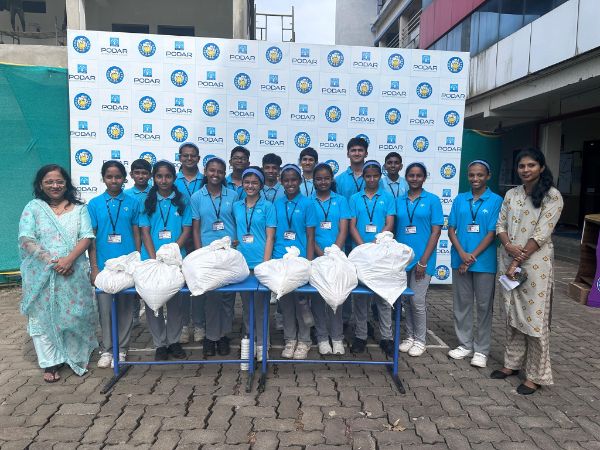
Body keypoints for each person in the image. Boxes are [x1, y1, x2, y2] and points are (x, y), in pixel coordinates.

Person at [492, 148, 563, 395]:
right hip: (508, 260)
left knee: (534, 320)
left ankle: (535, 375)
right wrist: (508, 246)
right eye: (521, 166)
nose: (525, 170)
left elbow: (542, 233)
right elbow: (500, 224)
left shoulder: (552, 196)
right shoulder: (511, 194)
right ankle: (511, 364)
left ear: (541, 167)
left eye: (531, 165)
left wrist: (517, 259)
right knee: (512, 315)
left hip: (535, 266)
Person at [18, 165, 97, 382]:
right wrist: (52, 262)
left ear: (66, 183)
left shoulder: (79, 209)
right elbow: (26, 238)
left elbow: (87, 237)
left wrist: (68, 260)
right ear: (41, 184)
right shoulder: (34, 208)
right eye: (49, 182)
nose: (55, 185)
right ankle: (50, 362)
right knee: (42, 315)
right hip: (42, 273)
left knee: (74, 314)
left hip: (73, 271)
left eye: (59, 181)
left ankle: (72, 354)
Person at [447, 160, 502, 368]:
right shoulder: (460, 199)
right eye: (471, 175)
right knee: (462, 304)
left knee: (484, 306)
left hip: (484, 262)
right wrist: (462, 254)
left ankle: (481, 350)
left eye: (480, 175)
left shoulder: (496, 200)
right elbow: (451, 229)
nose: (475, 179)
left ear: (488, 176)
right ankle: (465, 344)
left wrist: (471, 257)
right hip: (460, 259)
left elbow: (491, 233)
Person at [89, 161, 140, 369]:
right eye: (109, 177)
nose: (114, 180)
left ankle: (123, 349)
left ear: (124, 178)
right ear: (103, 178)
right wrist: (94, 268)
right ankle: (108, 349)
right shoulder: (94, 204)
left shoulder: (133, 202)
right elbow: (91, 239)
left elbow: (137, 233)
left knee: (125, 308)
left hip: (127, 265)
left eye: (118, 177)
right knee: (105, 309)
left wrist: (137, 261)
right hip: (104, 266)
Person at [140, 160, 191, 361]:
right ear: (154, 178)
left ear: (174, 178)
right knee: (153, 303)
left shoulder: (183, 200)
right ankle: (160, 344)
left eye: (168, 176)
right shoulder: (146, 200)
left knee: (176, 303)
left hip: (175, 259)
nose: (163, 180)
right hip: (151, 259)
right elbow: (145, 231)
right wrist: (154, 259)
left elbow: (186, 230)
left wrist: (172, 252)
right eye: (159, 176)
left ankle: (174, 341)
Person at [190, 157, 238, 357]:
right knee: (211, 297)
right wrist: (199, 253)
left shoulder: (233, 195)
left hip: (229, 252)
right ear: (205, 171)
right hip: (207, 254)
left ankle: (224, 335)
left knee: (227, 297)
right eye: (212, 170)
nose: (215, 174)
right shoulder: (197, 197)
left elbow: (238, 221)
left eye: (219, 171)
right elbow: (195, 229)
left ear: (224, 173)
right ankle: (211, 337)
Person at [348, 160, 396, 356]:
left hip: (382, 253)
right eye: (368, 176)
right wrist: (363, 247)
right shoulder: (354, 198)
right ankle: (360, 336)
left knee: (383, 298)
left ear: (380, 176)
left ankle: (387, 337)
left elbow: (389, 223)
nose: (371, 179)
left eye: (375, 176)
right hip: (360, 254)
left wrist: (376, 244)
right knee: (360, 298)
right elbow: (352, 225)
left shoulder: (387, 197)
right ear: (363, 177)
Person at [396, 162, 443, 357]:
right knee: (406, 300)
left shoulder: (432, 200)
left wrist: (423, 261)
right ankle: (409, 336)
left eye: (418, 175)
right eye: (411, 175)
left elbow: (436, 232)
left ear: (424, 177)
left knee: (417, 300)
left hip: (424, 259)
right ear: (406, 177)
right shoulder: (399, 200)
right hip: (402, 260)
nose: (414, 179)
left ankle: (420, 340)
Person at [273, 164, 317, 359]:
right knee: (285, 303)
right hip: (280, 259)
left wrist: (309, 262)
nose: (290, 183)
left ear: (299, 181)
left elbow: (310, 236)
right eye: (286, 180)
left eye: (293, 180)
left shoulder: (308, 204)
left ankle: (305, 340)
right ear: (281, 182)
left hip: (300, 261)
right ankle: (290, 339)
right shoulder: (276, 204)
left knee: (302, 302)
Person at [233, 167, 276, 361]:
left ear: (261, 185)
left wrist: (265, 265)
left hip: (260, 263)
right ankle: (250, 341)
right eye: (247, 182)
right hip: (242, 264)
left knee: (261, 307)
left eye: (255, 183)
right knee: (247, 306)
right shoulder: (236, 206)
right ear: (242, 184)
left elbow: (270, 237)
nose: (250, 186)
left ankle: (263, 344)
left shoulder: (268, 206)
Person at [311, 163, 351, 355]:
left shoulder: (341, 200)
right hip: (316, 257)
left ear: (332, 179)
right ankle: (322, 338)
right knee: (318, 300)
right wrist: (321, 255)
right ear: (313, 181)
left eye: (326, 178)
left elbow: (343, 229)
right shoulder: (308, 202)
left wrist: (334, 252)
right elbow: (308, 233)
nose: (323, 182)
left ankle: (337, 338)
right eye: (319, 179)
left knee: (337, 298)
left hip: (336, 257)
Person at [173, 143, 204, 345]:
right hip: (181, 236)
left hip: (201, 236)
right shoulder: (172, 180)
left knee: (199, 283)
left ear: (198, 158)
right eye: (185, 155)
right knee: (182, 283)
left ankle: (200, 324)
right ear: (180, 157)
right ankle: (183, 325)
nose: (189, 159)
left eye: (193, 156)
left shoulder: (205, 179)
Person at [124, 158, 152, 328]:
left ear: (150, 175)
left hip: (150, 238)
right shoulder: (126, 194)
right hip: (133, 238)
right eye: (137, 173)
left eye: (144, 173)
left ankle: (154, 311)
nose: (141, 176)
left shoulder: (155, 192)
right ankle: (133, 314)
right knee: (133, 276)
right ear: (131, 174)